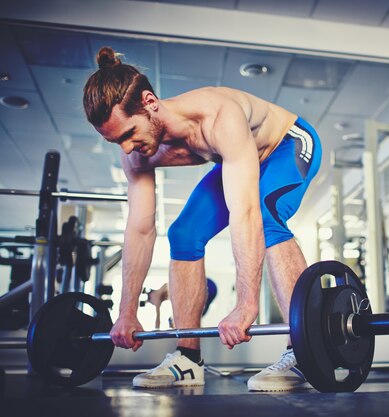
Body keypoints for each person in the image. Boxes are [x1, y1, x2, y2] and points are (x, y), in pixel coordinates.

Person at [83, 47, 321, 391]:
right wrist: (126, 310)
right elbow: (140, 228)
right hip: (237, 159)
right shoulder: (135, 155)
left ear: (150, 102)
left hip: (288, 143)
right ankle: (188, 358)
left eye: (128, 133)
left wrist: (246, 303)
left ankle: (304, 349)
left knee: (266, 215)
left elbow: (246, 212)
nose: (126, 148)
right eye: (114, 141)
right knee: (183, 234)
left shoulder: (217, 116)